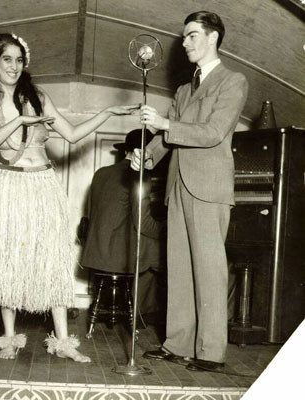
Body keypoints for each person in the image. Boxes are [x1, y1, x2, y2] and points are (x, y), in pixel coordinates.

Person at [0, 33, 139, 363]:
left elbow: (72, 134)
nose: (14, 67)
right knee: (8, 260)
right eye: (7, 59)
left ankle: (62, 341)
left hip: (42, 183)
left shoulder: (38, 96)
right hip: (6, 185)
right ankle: (9, 337)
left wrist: (107, 112)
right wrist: (19, 120)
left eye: (19, 60)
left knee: (51, 261)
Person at [131, 11, 248, 373]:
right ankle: (178, 343)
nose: (185, 43)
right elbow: (168, 138)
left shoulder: (233, 81)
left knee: (209, 270)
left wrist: (165, 122)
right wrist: (146, 155)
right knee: (178, 267)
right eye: (184, 37)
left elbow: (212, 132)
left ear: (213, 38)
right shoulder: (184, 90)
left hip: (209, 187)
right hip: (178, 186)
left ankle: (211, 351)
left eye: (192, 36)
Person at [80, 129, 166, 317]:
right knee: (164, 252)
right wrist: (167, 230)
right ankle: (144, 315)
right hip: (118, 256)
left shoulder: (101, 173)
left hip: (96, 252)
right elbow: (143, 223)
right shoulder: (140, 175)